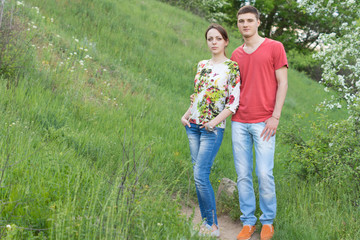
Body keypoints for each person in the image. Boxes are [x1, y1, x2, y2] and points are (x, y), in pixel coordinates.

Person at [230, 5, 288, 240]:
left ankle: (267, 221)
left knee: (264, 173)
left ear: (258, 22)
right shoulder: (235, 54)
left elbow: (282, 83)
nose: (245, 24)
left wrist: (275, 116)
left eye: (249, 20)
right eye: (241, 21)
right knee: (243, 174)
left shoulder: (275, 47)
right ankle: (248, 221)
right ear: (238, 24)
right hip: (239, 121)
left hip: (265, 121)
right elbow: (231, 90)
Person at [181, 23, 241, 237]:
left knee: (200, 174)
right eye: (210, 39)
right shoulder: (202, 65)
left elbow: (233, 104)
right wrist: (186, 115)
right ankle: (208, 222)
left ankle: (212, 226)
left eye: (218, 38)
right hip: (192, 126)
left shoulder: (232, 68)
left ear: (225, 41)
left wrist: (213, 122)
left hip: (211, 130)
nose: (213, 42)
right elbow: (198, 96)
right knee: (199, 175)